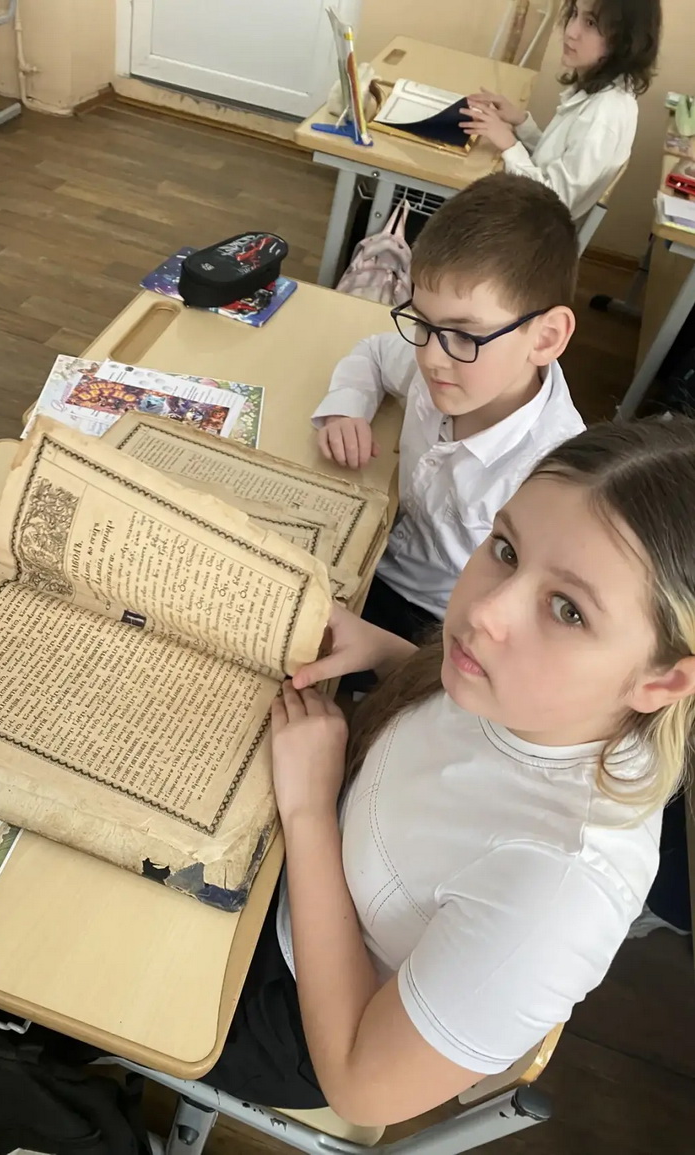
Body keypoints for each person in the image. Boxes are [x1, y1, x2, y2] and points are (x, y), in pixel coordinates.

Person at [205, 418, 695, 1124]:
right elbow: (475, 747)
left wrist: (310, 812)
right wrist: (388, 653)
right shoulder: (537, 693)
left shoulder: (557, 893)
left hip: (292, 1000)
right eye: (506, 549)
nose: (486, 611)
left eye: (568, 610)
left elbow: (359, 1085)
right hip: (289, 850)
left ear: (660, 681)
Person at [314, 172, 584, 655]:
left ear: (545, 338)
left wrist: (393, 655)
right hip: (369, 555)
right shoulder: (445, 365)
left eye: (464, 335)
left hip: (440, 632)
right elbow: (373, 353)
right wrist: (346, 411)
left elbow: (518, 642)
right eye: (422, 321)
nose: (431, 357)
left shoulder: (557, 480)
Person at [460, 0, 662, 225]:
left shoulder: (604, 115)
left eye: (590, 23)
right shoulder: (605, 92)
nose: (571, 32)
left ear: (625, 40)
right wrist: (521, 123)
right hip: (530, 220)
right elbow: (557, 162)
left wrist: (509, 144)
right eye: (574, 14)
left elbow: (550, 204)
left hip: (529, 229)